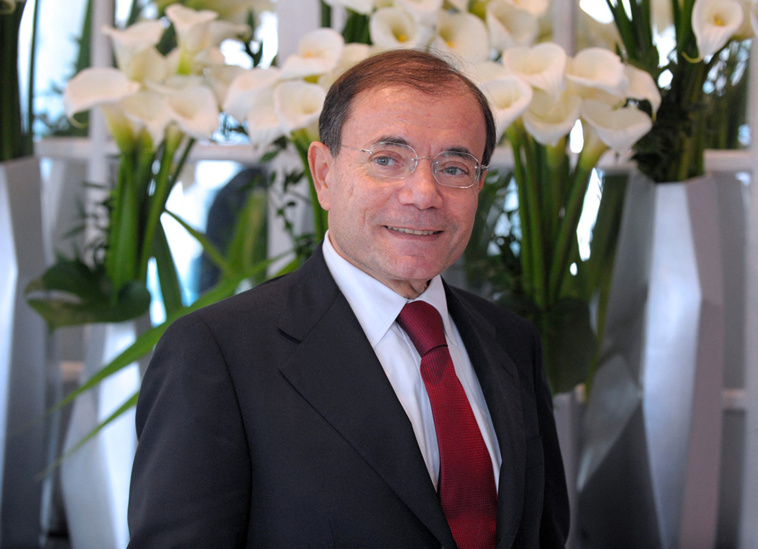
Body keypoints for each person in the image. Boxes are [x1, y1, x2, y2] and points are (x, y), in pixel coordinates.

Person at [127, 48, 569, 548]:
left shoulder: (512, 342)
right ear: (324, 174)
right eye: (387, 160)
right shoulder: (217, 353)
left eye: (454, 167)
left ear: (479, 184)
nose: (424, 193)